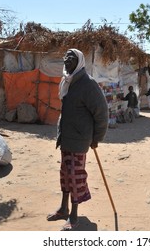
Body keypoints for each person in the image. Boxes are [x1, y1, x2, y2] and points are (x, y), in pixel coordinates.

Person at [47, 49, 109, 231]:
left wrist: (97, 138)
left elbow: (102, 113)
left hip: (80, 139)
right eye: (66, 57)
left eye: (72, 58)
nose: (67, 60)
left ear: (80, 61)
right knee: (65, 175)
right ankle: (63, 208)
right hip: (66, 137)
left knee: (76, 177)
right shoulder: (67, 80)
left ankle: (74, 216)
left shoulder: (87, 84)